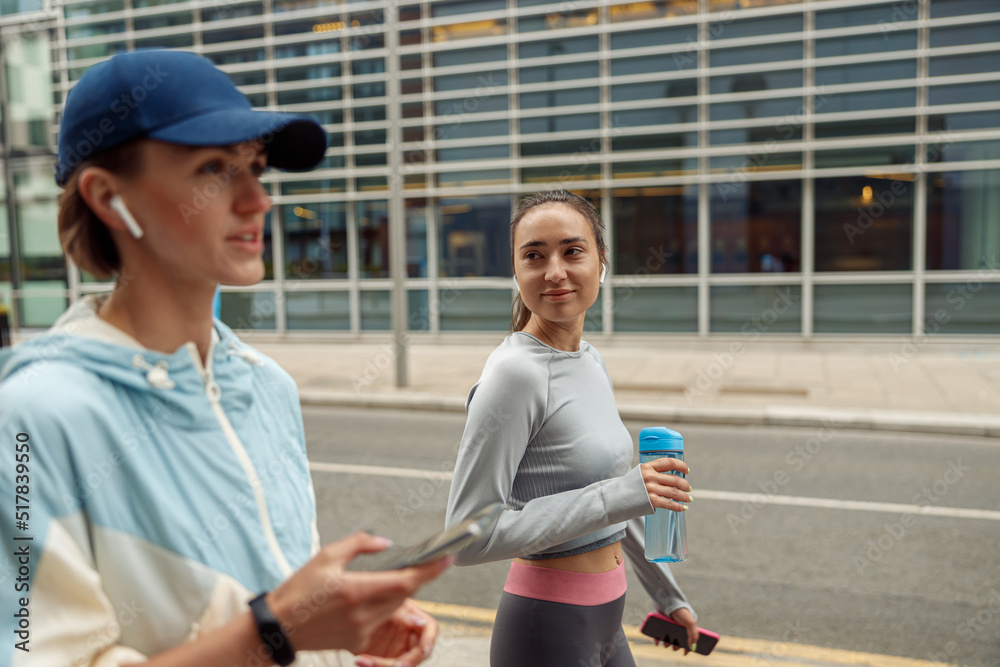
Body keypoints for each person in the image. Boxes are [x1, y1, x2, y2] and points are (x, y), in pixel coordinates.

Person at [0, 50, 449, 667]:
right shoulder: (31, 418)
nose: (257, 200)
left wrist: (338, 643)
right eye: (214, 169)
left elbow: (279, 601)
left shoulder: (268, 386)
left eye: (257, 169)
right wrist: (275, 634)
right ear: (108, 197)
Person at [445, 190, 700, 666]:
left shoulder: (590, 360)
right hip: (547, 627)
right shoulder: (514, 374)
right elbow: (466, 537)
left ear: (602, 262)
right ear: (517, 272)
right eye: (534, 256)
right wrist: (621, 494)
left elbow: (612, 503)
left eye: (573, 251)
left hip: (607, 618)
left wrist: (669, 596)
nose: (555, 271)